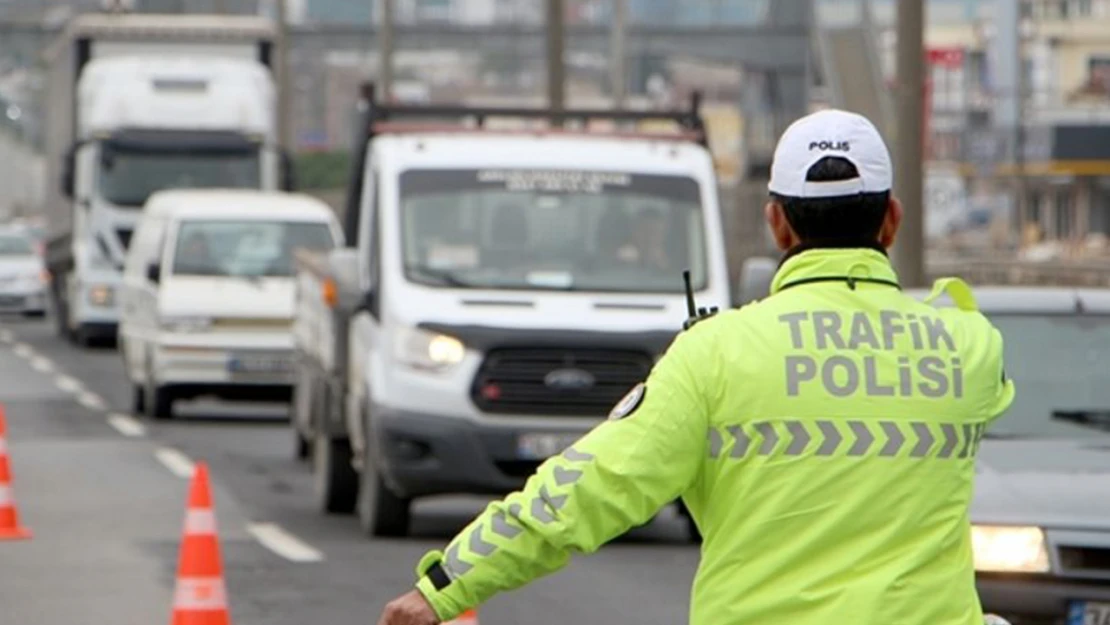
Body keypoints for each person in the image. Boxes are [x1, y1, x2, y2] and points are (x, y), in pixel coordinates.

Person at [375, 109, 1016, 625]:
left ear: (777, 224)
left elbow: (585, 489)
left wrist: (447, 585)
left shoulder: (715, 352)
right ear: (892, 218)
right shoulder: (967, 346)